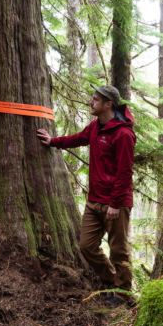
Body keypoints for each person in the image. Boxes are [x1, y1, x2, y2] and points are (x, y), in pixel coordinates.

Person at [37, 85, 136, 306]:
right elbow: (78, 138)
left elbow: (125, 172)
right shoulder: (95, 127)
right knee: (86, 246)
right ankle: (112, 281)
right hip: (94, 201)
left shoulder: (123, 134)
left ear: (108, 104)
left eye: (95, 99)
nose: (90, 102)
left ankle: (124, 293)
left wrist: (115, 203)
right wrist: (53, 142)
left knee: (119, 249)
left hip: (115, 204)